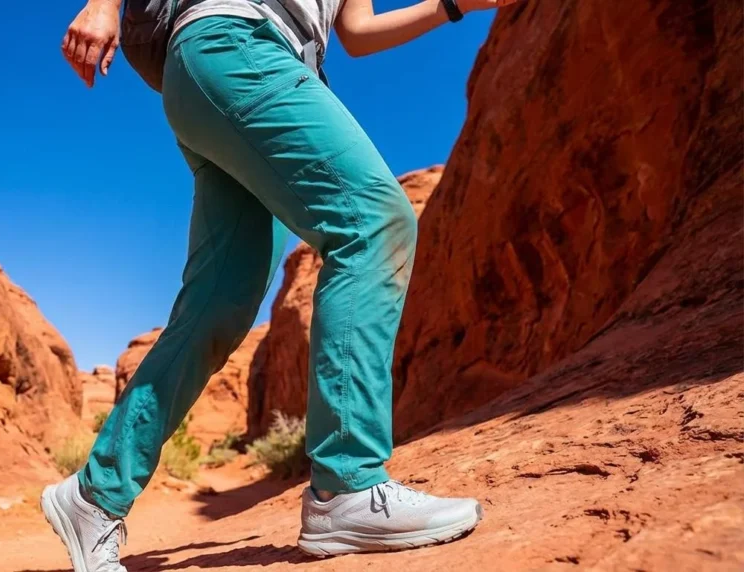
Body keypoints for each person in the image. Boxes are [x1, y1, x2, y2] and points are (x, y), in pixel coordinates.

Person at [43, 0, 522, 570]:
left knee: (217, 308)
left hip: (228, 72)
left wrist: (452, 6)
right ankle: (347, 484)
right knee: (373, 220)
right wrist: (102, 5)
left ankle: (95, 496)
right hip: (233, 42)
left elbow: (358, 32)